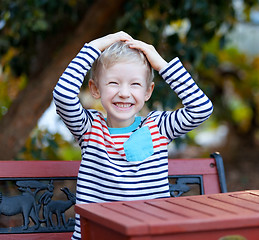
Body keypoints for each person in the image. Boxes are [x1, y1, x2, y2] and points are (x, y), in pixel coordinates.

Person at [53, 31, 213, 239]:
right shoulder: (89, 129)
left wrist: (162, 65)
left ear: (148, 92)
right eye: (113, 83)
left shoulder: (159, 127)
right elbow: (63, 95)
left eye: (135, 84)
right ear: (95, 89)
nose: (124, 93)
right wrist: (95, 46)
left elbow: (202, 108)